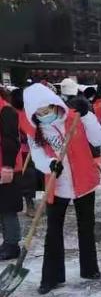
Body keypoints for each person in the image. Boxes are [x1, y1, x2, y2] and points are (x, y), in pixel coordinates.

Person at [23, 83, 101, 294]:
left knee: (86, 227)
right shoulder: (36, 129)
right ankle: (51, 277)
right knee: (53, 231)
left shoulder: (75, 116)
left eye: (47, 110)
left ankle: (89, 269)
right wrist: (50, 164)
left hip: (84, 182)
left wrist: (87, 114)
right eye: (39, 113)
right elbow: (38, 156)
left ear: (55, 104)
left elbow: (100, 139)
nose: (44, 115)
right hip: (57, 184)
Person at [0, 89, 22, 261]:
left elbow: (11, 140)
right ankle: (6, 242)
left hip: (7, 167)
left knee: (8, 208)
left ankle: (12, 244)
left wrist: (7, 166)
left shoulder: (6, 111)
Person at [10, 87, 37, 217]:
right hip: (15, 151)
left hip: (27, 151)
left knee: (29, 178)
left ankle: (30, 203)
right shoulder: (9, 113)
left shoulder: (29, 113)